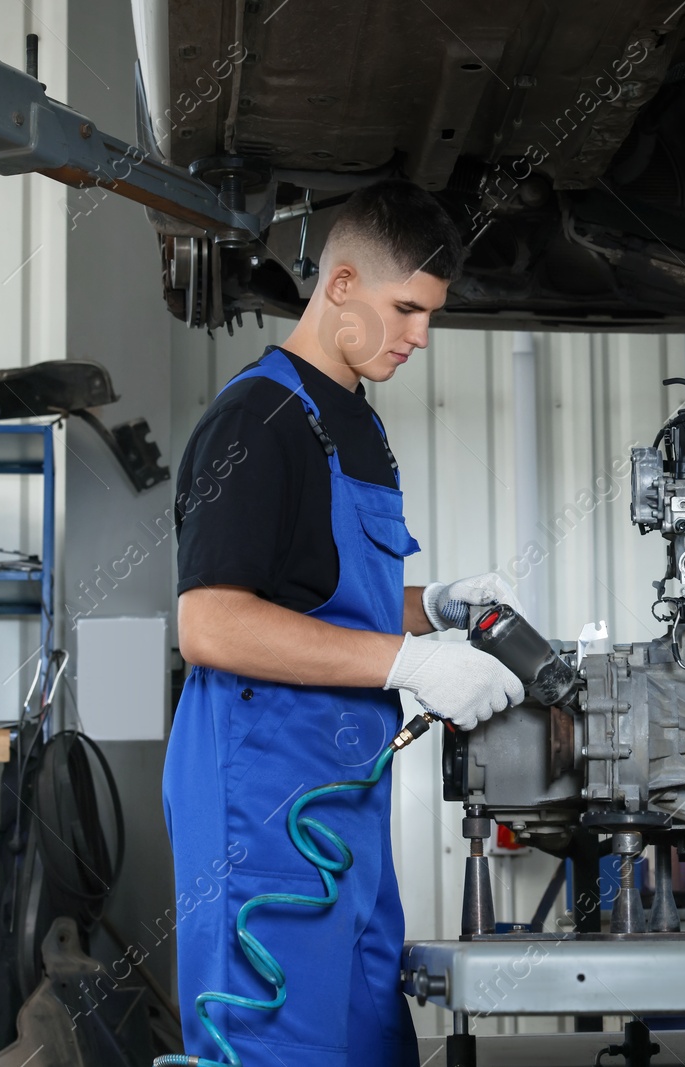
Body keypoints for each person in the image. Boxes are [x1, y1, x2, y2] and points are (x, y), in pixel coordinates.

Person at [162, 178, 524, 1067]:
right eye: (406, 309)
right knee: (275, 1046)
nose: (418, 338)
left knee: (371, 1047)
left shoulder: (353, 420)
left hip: (343, 803)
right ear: (342, 284)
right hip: (260, 809)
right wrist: (411, 662)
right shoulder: (256, 420)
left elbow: (323, 599)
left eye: (430, 316)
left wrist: (434, 608)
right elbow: (210, 622)